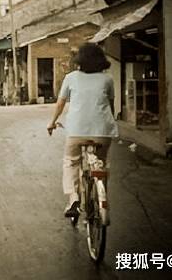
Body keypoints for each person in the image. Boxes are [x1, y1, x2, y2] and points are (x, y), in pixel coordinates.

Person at [47, 43, 118, 218]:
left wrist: (52, 122)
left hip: (76, 131)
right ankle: (101, 195)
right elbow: (111, 106)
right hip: (102, 132)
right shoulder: (107, 79)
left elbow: (60, 104)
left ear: (79, 61)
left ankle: (74, 199)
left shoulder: (71, 77)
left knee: (71, 162)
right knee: (101, 163)